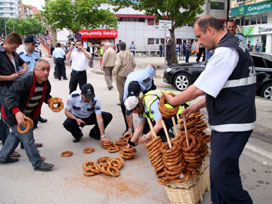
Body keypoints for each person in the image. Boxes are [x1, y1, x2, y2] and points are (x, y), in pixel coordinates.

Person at [162, 15, 255, 204]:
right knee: (222, 172)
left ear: (210, 31)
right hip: (233, 120)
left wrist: (173, 102)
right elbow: (219, 87)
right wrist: (196, 106)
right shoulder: (235, 43)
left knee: (222, 175)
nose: (199, 42)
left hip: (233, 123)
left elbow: (196, 88)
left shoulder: (225, 52)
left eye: (198, 36)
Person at [0, 59, 55, 171]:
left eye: (48, 70)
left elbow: (45, 95)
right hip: (11, 112)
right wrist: (17, 112)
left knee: (15, 135)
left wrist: (50, 100)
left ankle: (3, 157)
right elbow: (10, 97)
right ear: (35, 70)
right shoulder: (25, 80)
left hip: (25, 113)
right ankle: (37, 163)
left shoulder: (45, 82)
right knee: (27, 137)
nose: (46, 72)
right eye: (43, 69)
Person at [124, 90, 189, 146]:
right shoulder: (141, 107)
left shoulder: (151, 104)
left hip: (179, 108)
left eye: (132, 111)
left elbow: (159, 125)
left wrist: (146, 137)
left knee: (160, 127)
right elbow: (139, 127)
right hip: (167, 112)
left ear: (137, 107)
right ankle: (166, 138)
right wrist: (131, 142)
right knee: (151, 128)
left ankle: (168, 142)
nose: (133, 113)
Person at [0, 32, 27, 158]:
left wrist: (24, 69)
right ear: (7, 43)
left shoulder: (13, 53)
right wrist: (9, 77)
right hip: (3, 89)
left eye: (16, 48)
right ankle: (7, 148)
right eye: (14, 47)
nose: (15, 49)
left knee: (20, 114)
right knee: (6, 119)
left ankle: (23, 141)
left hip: (15, 87)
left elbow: (23, 63)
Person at [19, 35, 47, 136]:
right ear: (27, 44)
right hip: (26, 85)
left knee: (37, 102)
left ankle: (37, 117)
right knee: (26, 106)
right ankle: (25, 139)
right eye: (32, 44)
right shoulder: (20, 56)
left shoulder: (36, 54)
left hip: (37, 82)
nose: (34, 46)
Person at [122, 65, 157, 137]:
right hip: (132, 79)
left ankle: (147, 128)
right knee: (124, 105)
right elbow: (127, 108)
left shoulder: (146, 77)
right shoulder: (126, 91)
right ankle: (129, 130)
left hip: (148, 87)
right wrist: (130, 129)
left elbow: (151, 66)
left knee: (148, 106)